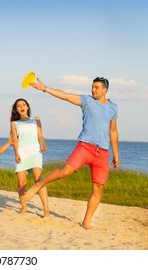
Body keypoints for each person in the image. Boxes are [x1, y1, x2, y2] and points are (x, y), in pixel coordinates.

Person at [22, 77, 120, 229]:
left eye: (96, 87)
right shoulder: (87, 101)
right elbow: (66, 96)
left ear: (105, 90)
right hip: (85, 146)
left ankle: (86, 221)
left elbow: (113, 131)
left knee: (98, 188)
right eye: (92, 87)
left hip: (102, 152)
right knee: (65, 171)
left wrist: (116, 154)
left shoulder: (113, 107)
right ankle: (39, 184)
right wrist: (45, 88)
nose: (93, 90)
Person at [10, 98, 50, 217]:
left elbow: (40, 136)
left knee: (39, 180)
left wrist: (43, 144)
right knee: (21, 183)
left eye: (23, 104)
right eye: (18, 106)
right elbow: (15, 140)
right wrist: (16, 153)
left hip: (34, 152)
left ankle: (46, 210)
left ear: (27, 107)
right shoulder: (14, 123)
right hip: (22, 153)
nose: (21, 107)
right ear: (16, 109)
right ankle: (24, 207)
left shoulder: (36, 120)